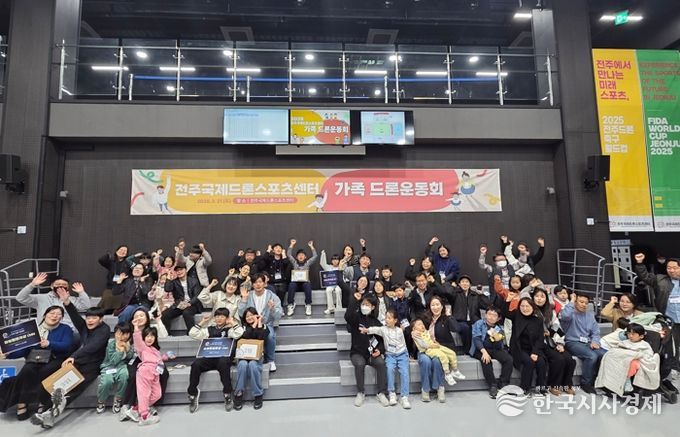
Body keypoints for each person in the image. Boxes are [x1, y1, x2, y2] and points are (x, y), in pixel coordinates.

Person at [31, 295, 109, 429]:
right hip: (78, 361)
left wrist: (74, 356)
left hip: (92, 365)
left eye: (94, 318)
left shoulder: (104, 330)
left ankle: (49, 414)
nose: (90, 320)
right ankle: (47, 413)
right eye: (88, 318)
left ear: (101, 319)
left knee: (71, 390)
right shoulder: (85, 326)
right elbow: (75, 316)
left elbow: (92, 347)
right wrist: (67, 302)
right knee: (57, 387)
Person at [0, 306, 73, 420]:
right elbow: (25, 350)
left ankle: (33, 402)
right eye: (52, 313)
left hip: (56, 358)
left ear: (62, 318)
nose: (55, 316)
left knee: (44, 371)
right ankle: (24, 402)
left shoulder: (65, 329)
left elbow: (67, 346)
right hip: (36, 358)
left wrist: (49, 343)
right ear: (44, 315)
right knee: (27, 369)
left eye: (59, 314)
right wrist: (8, 355)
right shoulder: (34, 330)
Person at [187, 308, 244, 413]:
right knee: (196, 364)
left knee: (223, 363)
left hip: (223, 359)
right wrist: (202, 322)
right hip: (209, 357)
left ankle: (227, 394)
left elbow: (239, 333)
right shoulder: (209, 330)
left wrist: (232, 322)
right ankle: (193, 393)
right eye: (217, 316)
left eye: (222, 316)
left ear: (226, 318)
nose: (219, 318)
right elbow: (192, 333)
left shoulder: (229, 330)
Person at [119, 308, 169, 421]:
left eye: (142, 315)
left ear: (147, 317)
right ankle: (128, 404)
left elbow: (164, 335)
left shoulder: (151, 329)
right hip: (135, 358)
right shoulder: (130, 330)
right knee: (132, 375)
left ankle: (150, 404)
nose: (139, 318)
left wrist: (159, 321)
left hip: (152, 358)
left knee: (164, 372)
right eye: (136, 316)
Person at [634, 253, 680, 368]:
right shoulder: (660, 279)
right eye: (669, 268)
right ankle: (673, 368)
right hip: (669, 321)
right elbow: (645, 277)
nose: (671, 270)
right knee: (672, 346)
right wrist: (640, 263)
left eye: (675, 268)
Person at [344, 291, 389, 407]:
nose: (364, 306)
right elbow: (347, 316)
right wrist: (354, 300)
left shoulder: (376, 322)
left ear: (373, 307)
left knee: (381, 363)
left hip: (372, 353)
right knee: (360, 364)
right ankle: (360, 392)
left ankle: (381, 393)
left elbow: (382, 339)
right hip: (357, 353)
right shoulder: (356, 318)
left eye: (367, 305)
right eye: (363, 304)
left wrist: (380, 350)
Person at [361, 309, 411, 409]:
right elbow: (375, 329)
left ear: (395, 320)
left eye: (389, 318)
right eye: (386, 317)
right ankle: (391, 393)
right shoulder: (383, 329)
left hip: (402, 354)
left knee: (405, 372)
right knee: (389, 370)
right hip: (390, 355)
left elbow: (404, 342)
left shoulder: (399, 331)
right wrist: (367, 330)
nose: (387, 320)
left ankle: (404, 396)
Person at [595, 323, 660, 396]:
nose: (630, 336)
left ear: (641, 336)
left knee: (633, 363)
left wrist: (634, 355)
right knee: (609, 355)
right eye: (629, 333)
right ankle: (609, 382)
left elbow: (648, 356)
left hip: (636, 362)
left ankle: (627, 379)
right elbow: (617, 350)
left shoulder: (645, 345)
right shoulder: (625, 342)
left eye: (633, 334)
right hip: (622, 360)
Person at [560, 292, 606, 394]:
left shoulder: (590, 315)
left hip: (588, 343)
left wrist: (595, 341)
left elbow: (595, 332)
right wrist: (571, 301)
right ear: (576, 302)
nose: (584, 305)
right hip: (572, 342)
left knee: (604, 354)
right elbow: (565, 316)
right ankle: (586, 383)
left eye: (586, 303)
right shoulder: (570, 314)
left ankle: (601, 382)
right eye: (581, 302)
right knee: (592, 356)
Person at [532, 288, 576, 396]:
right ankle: (553, 385)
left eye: (542, 296)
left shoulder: (550, 312)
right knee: (558, 359)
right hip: (540, 344)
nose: (539, 299)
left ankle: (566, 385)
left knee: (570, 360)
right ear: (533, 298)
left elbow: (557, 327)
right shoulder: (531, 311)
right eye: (537, 296)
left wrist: (559, 343)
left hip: (552, 341)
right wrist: (543, 334)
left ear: (546, 299)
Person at [416, 295, 460, 403]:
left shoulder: (446, 318)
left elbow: (456, 328)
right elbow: (414, 326)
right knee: (425, 361)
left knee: (437, 361)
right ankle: (425, 389)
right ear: (429, 307)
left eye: (437, 304)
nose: (435, 307)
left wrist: (449, 315)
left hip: (440, 349)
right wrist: (414, 331)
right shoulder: (425, 318)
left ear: (442, 306)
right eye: (433, 305)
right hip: (425, 348)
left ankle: (439, 388)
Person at [15, 273, 91, 334]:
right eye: (57, 284)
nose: (60, 286)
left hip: (67, 331)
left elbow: (86, 306)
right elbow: (20, 298)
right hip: (45, 331)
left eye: (64, 285)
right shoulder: (41, 298)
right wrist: (32, 285)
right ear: (51, 286)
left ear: (68, 287)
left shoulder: (72, 299)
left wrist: (81, 292)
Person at [238, 273, 283, 372]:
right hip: (250, 325)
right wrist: (244, 300)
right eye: (255, 282)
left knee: (270, 336)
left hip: (266, 324)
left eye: (260, 282)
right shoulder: (248, 295)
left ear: (264, 283)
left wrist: (272, 309)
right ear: (252, 285)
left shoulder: (272, 296)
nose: (258, 284)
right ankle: (246, 358)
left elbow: (278, 316)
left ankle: (270, 360)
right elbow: (241, 313)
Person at [438, 274, 489, 354]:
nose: (465, 284)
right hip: (459, 320)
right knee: (466, 328)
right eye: (463, 282)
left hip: (474, 320)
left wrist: (481, 294)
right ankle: (467, 350)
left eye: (467, 282)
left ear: (470, 284)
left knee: (479, 326)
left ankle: (481, 350)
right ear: (459, 284)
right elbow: (447, 291)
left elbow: (487, 305)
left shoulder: (475, 295)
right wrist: (449, 284)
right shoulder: (455, 294)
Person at [130, 320, 168, 426]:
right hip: (145, 372)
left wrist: (165, 357)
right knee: (144, 394)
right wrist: (136, 327)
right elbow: (137, 339)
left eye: (152, 336)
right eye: (147, 336)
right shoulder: (142, 347)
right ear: (143, 337)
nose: (150, 338)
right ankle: (144, 417)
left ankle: (136, 409)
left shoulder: (155, 350)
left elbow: (158, 359)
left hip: (155, 373)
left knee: (157, 394)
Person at [469, 306, 513, 398]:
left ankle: (503, 383)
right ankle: (492, 385)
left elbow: (499, 346)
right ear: (485, 315)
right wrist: (484, 352)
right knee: (486, 360)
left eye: (494, 315)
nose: (491, 317)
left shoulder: (499, 328)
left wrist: (497, 339)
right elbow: (476, 339)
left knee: (508, 359)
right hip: (479, 349)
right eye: (489, 314)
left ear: (498, 318)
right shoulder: (479, 323)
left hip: (494, 349)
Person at [507, 297, 547, 396]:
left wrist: (535, 352)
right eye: (522, 306)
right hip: (518, 348)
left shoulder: (538, 320)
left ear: (533, 307)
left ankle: (540, 387)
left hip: (533, 348)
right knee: (529, 362)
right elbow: (505, 313)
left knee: (541, 362)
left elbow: (540, 339)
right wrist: (507, 301)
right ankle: (524, 388)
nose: (525, 309)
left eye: (527, 306)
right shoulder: (516, 316)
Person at [234, 307, 270, 410]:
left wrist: (259, 323)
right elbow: (245, 337)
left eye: (252, 315)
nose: (249, 317)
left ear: (256, 315)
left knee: (253, 365)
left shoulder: (264, 326)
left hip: (257, 357)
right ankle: (239, 393)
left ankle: (258, 394)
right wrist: (254, 325)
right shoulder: (242, 328)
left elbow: (261, 338)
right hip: (243, 356)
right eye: (247, 316)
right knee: (242, 365)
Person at [411, 319, 466, 385]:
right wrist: (431, 345)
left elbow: (431, 337)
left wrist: (434, 341)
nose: (422, 325)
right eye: (419, 325)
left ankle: (455, 370)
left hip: (436, 346)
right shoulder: (417, 335)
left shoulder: (426, 331)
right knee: (443, 356)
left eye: (422, 324)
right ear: (414, 328)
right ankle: (447, 374)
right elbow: (422, 345)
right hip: (428, 349)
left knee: (452, 353)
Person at [96, 322, 134, 414]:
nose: (123, 336)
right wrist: (121, 351)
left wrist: (128, 350)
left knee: (125, 376)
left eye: (126, 333)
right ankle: (101, 400)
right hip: (108, 366)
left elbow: (130, 357)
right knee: (107, 381)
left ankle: (118, 399)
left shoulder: (128, 344)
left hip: (121, 365)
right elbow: (113, 361)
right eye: (120, 333)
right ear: (115, 333)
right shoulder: (111, 344)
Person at [162, 262, 204, 334]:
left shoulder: (194, 281)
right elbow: (167, 289)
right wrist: (168, 278)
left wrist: (189, 303)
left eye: (181, 269)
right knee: (165, 314)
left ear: (186, 270)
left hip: (193, 304)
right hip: (179, 305)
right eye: (177, 270)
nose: (179, 272)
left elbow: (197, 295)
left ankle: (191, 333)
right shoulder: (175, 282)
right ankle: (167, 334)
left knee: (186, 313)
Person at [286, 239, 318, 316]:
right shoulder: (294, 263)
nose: (301, 256)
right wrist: (292, 245)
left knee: (307, 284)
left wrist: (311, 246)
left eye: (302, 255)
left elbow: (315, 256)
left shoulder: (307, 263)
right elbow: (289, 255)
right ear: (296, 257)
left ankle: (308, 305)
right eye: (299, 255)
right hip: (296, 283)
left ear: (305, 257)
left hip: (304, 283)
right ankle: (290, 305)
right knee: (291, 284)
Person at [97, 245, 132, 313]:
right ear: (116, 251)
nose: (122, 252)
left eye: (125, 251)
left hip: (122, 286)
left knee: (120, 297)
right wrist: (108, 255)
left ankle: (116, 310)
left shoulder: (128, 263)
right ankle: (107, 310)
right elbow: (101, 260)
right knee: (107, 297)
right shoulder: (111, 262)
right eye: (121, 250)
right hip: (111, 286)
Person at [320, 250, 344, 315]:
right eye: (333, 259)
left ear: (339, 260)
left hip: (339, 284)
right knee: (328, 290)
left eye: (336, 259)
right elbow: (322, 264)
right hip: (331, 283)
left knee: (338, 291)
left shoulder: (341, 267)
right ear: (331, 261)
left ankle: (339, 308)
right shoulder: (328, 267)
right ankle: (330, 308)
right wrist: (323, 254)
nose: (335, 261)